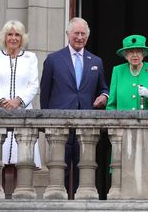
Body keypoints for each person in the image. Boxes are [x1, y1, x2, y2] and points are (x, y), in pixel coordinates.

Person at [40, 17, 109, 197]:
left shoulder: (96, 61)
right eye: (76, 33)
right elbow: (45, 93)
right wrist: (45, 122)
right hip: (59, 124)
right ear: (68, 34)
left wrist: (104, 96)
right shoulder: (53, 59)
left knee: (84, 169)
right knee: (58, 169)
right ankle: (58, 206)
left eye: (83, 34)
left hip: (85, 126)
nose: (79, 37)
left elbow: (104, 88)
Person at [0, 20, 41, 194]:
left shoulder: (30, 58)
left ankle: (19, 199)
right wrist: (2, 101)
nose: (13, 38)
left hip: (22, 112)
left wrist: (18, 101)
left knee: (21, 159)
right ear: (4, 37)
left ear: (22, 38)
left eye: (17, 34)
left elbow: (33, 85)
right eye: (10, 34)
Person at [106, 34, 148, 110]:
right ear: (126, 55)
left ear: (143, 54)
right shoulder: (118, 71)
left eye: (138, 51)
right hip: (122, 121)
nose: (135, 55)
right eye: (131, 52)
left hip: (146, 121)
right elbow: (111, 105)